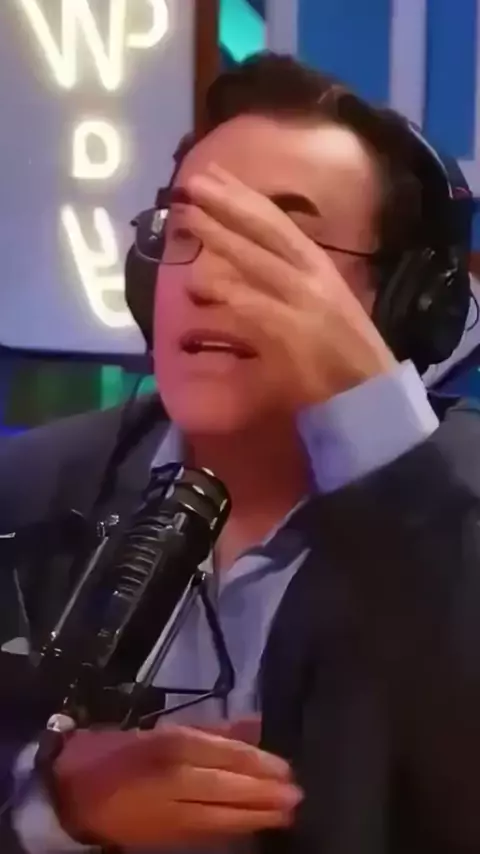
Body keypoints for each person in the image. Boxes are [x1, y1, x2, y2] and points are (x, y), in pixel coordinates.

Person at [1, 51, 480, 854]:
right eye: (188, 235)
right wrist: (52, 810)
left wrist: (373, 418)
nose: (209, 280)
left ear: (402, 305)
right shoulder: (28, 489)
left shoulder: (455, 514)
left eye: (276, 246)